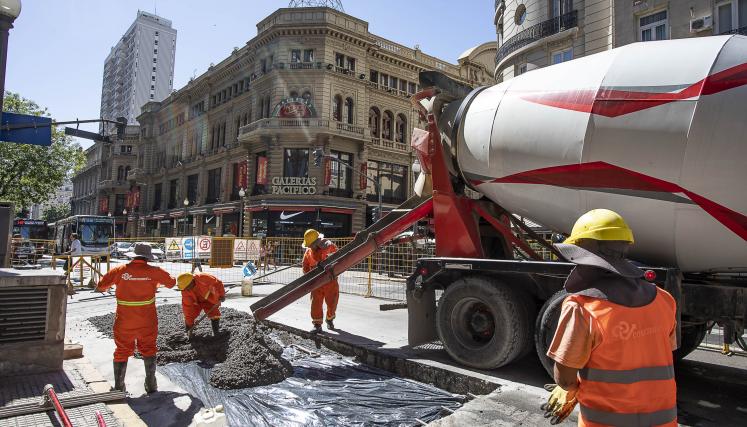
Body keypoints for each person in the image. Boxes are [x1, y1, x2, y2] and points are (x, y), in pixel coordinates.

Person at [542, 209, 678, 426]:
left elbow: (565, 378)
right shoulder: (664, 300)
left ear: (581, 253)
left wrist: (570, 389)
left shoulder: (582, 308)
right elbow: (655, 354)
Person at [94, 243, 176, 394]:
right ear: (148, 257)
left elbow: (100, 286)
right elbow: (172, 283)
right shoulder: (154, 271)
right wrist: (153, 282)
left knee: (122, 350)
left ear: (133, 255)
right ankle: (151, 384)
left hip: (125, 320)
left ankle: (119, 386)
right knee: (149, 349)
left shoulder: (120, 270)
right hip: (147, 320)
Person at [302, 229, 339, 333]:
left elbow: (338, 258)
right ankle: (317, 324)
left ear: (317, 241)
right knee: (316, 303)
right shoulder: (308, 252)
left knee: (332, 302)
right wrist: (307, 276)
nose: (309, 247)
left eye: (311, 245)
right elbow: (305, 266)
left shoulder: (329, 246)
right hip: (316, 281)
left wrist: (328, 263)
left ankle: (330, 318)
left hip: (330, 280)